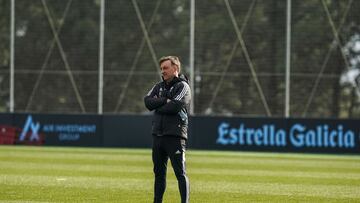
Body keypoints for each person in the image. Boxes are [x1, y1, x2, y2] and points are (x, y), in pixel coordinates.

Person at [144, 56, 191, 203]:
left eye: (165, 68)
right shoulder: (158, 86)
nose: (162, 71)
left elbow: (175, 106)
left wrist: (158, 104)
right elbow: (147, 102)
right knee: (159, 174)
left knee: (180, 173)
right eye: (161, 68)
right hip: (158, 135)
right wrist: (164, 100)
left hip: (175, 136)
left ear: (175, 69)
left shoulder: (183, 86)